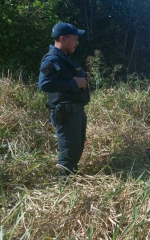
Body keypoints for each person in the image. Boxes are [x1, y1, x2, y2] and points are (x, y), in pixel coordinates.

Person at [38, 22, 90, 178]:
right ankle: (64, 186)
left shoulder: (65, 58)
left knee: (75, 149)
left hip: (75, 112)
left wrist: (83, 77)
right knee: (68, 153)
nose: (77, 42)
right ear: (63, 38)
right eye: (74, 39)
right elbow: (45, 84)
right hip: (66, 113)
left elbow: (67, 77)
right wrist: (74, 83)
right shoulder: (53, 59)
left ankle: (70, 178)